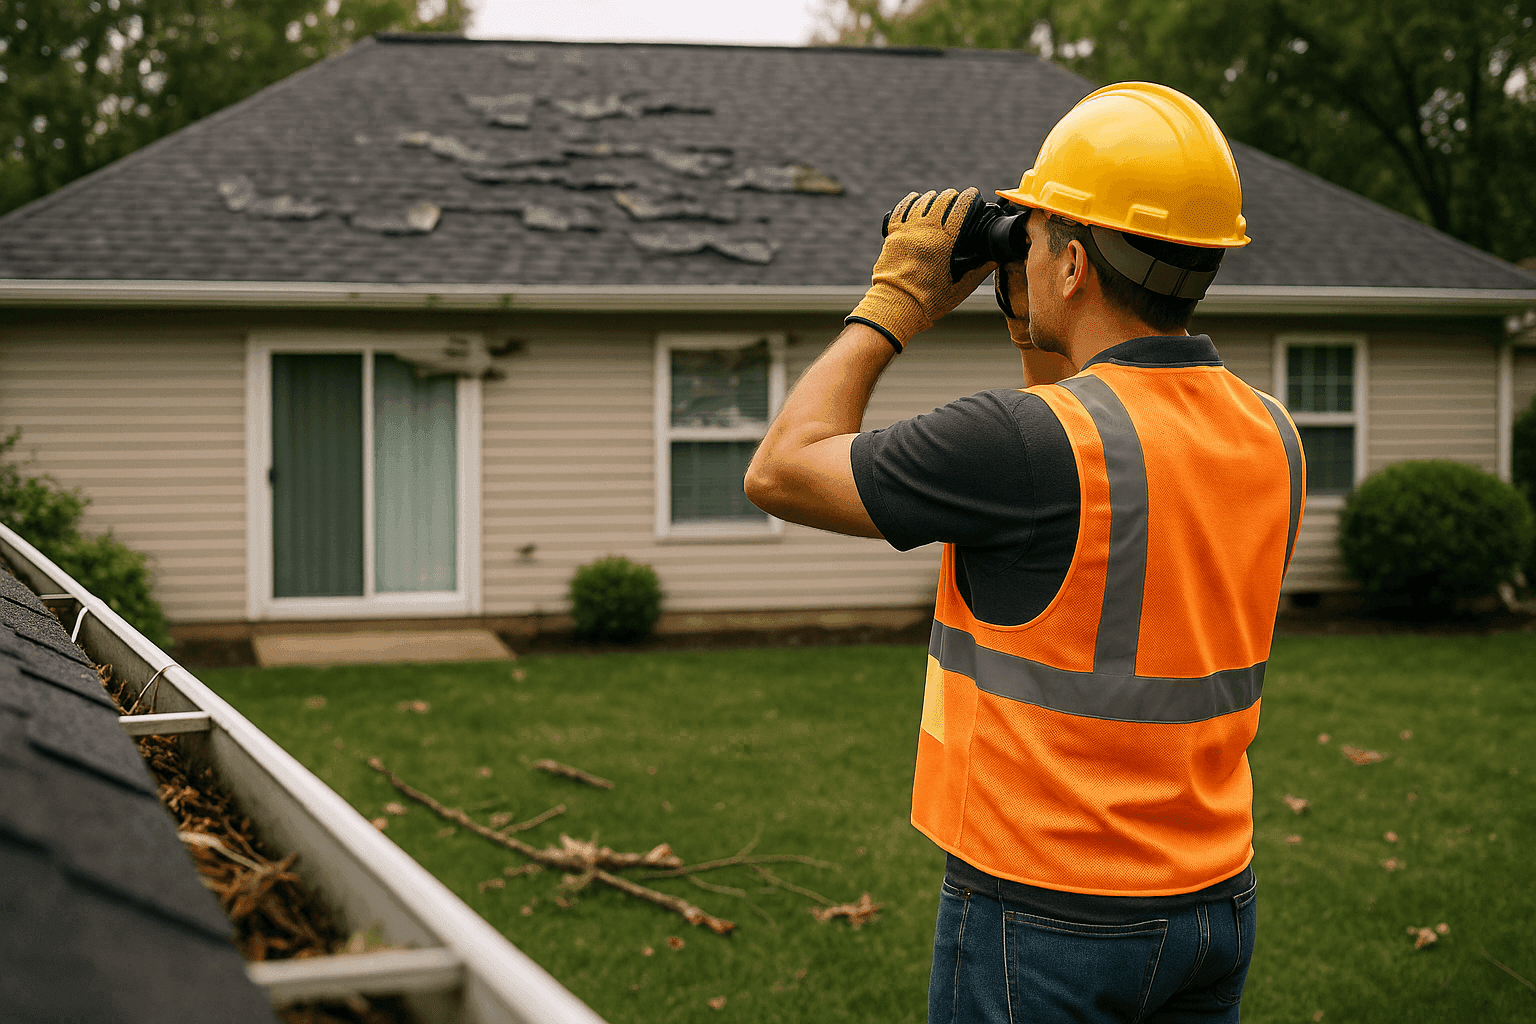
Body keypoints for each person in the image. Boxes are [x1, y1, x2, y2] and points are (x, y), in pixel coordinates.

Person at [744, 82, 1305, 1024]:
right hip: (1213, 903)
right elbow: (1092, 485)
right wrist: (1027, 313)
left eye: (1039, 233)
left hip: (1046, 911)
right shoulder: (1271, 434)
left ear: (1076, 265)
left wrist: (894, 300)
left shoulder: (1022, 446)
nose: (1032, 248)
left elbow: (782, 471)